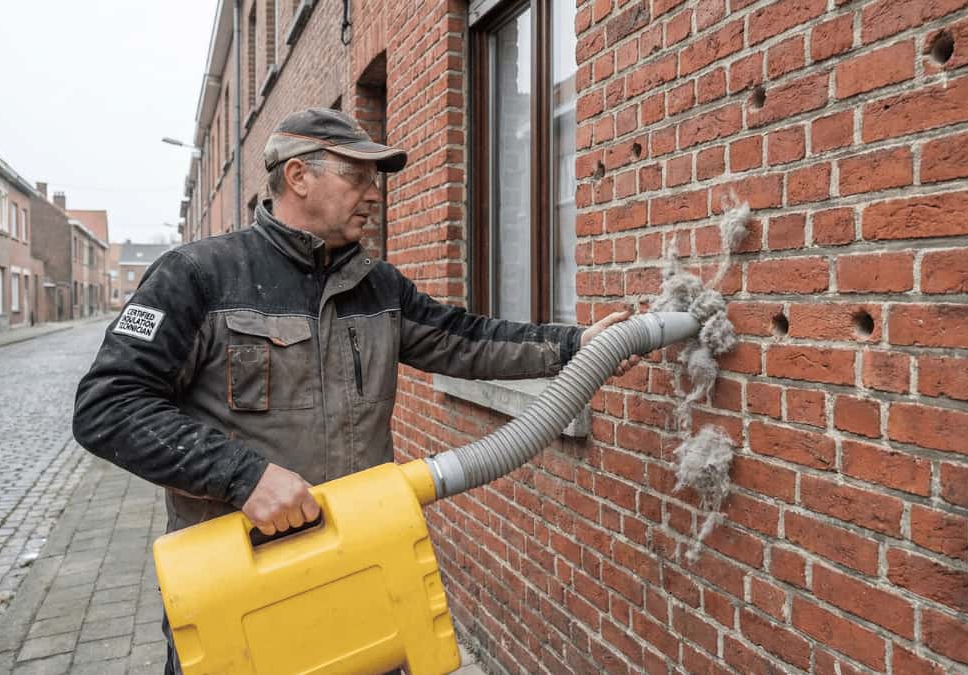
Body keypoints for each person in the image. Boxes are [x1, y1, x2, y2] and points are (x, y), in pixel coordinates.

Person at [71, 108, 638, 673]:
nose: (374, 194)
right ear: (298, 177)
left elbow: (467, 340)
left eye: (376, 180)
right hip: (240, 581)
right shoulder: (197, 276)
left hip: (360, 563)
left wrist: (577, 343)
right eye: (358, 177)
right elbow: (108, 406)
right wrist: (242, 477)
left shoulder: (377, 285)